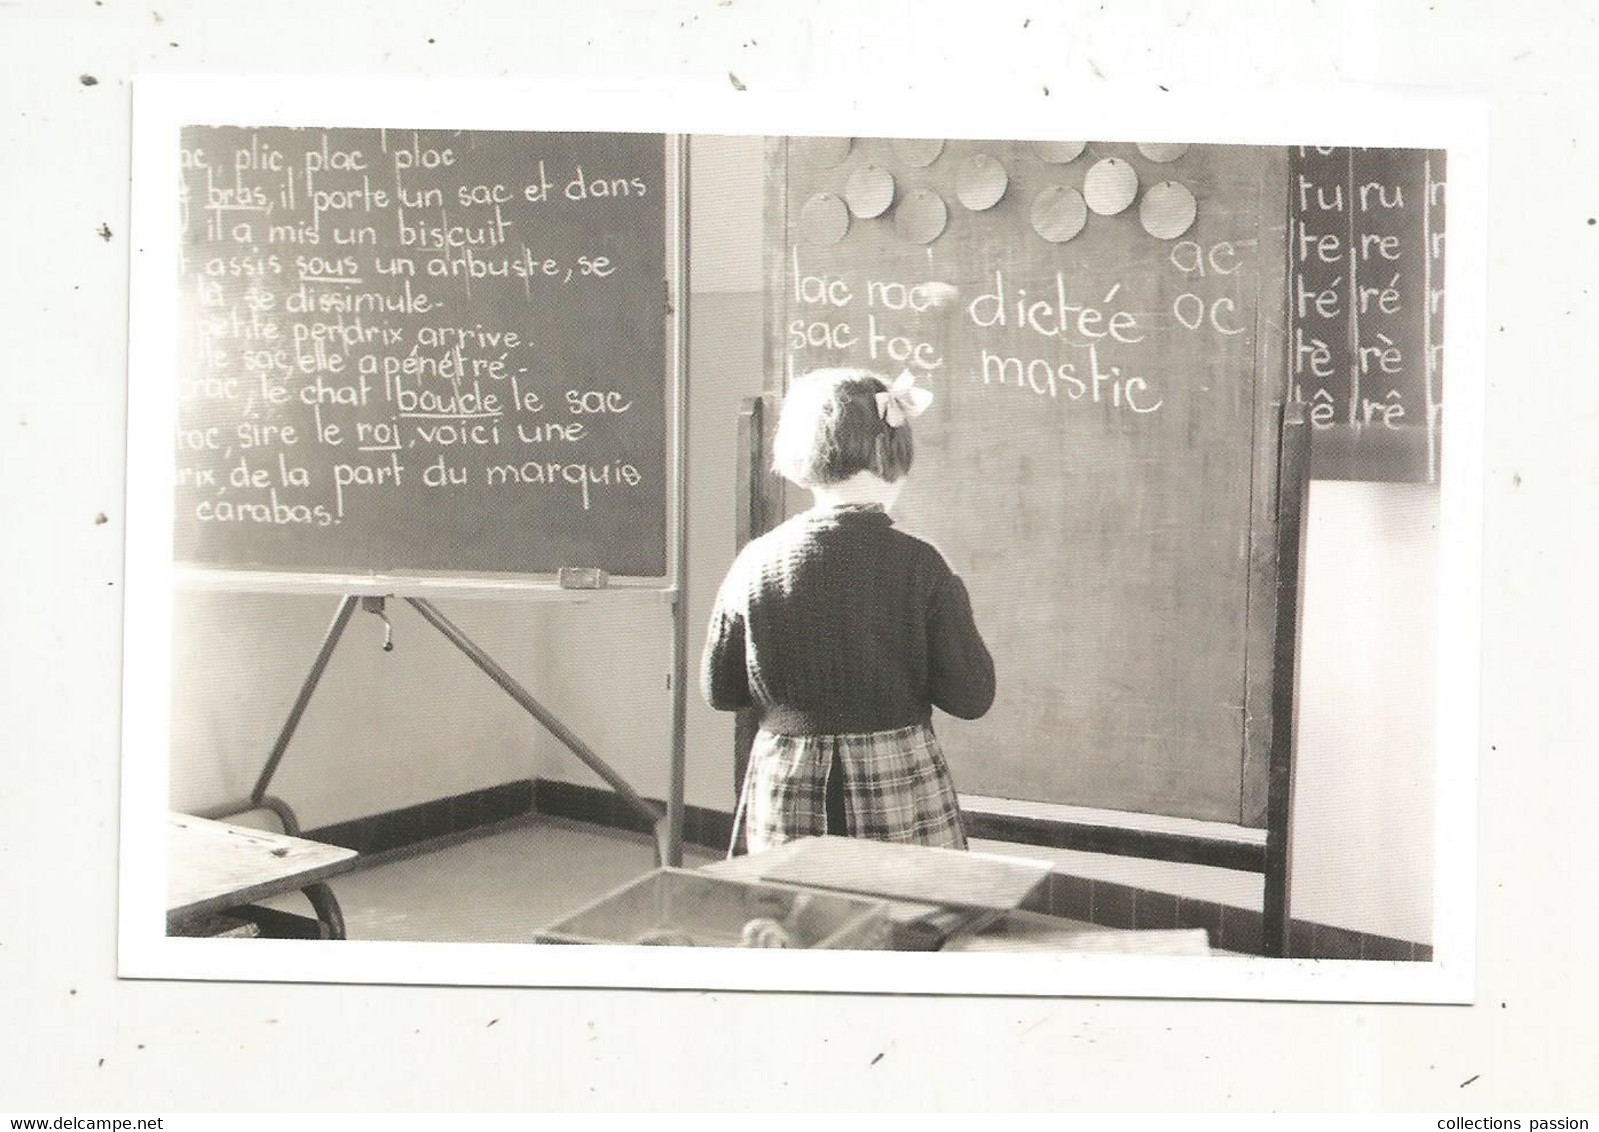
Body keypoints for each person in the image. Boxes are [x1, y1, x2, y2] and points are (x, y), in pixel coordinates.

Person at [701, 367, 996, 856]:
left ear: (800, 458)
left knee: (794, 917)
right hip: (896, 778)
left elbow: (721, 690)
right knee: (904, 916)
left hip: (786, 780)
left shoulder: (755, 559)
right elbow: (972, 696)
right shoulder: (923, 563)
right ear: (891, 454)